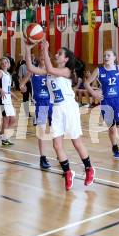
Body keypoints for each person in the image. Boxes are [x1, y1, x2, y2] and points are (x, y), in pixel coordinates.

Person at [40, 40, 95, 191]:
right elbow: (32, 68)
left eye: (59, 53)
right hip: (57, 109)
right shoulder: (51, 71)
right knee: (56, 145)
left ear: (65, 59)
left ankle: (89, 168)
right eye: (56, 52)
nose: (56, 54)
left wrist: (45, 49)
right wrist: (27, 47)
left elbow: (50, 67)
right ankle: (67, 171)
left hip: (69, 108)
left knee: (76, 142)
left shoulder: (66, 71)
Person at [84, 50, 119, 168]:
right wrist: (94, 93)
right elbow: (87, 83)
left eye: (108, 55)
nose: (106, 57)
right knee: (112, 129)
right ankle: (114, 146)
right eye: (104, 55)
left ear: (114, 57)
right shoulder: (99, 70)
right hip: (106, 102)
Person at [19, 51, 52, 170]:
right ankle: (43, 157)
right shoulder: (32, 71)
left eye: (46, 55)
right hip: (41, 104)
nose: (43, 57)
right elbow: (22, 84)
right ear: (39, 58)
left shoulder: (52, 71)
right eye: (41, 55)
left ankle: (60, 155)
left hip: (53, 103)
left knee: (57, 131)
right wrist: (23, 87)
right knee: (42, 131)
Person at [0, 57, 18, 146]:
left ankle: (1, 134)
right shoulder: (0, 72)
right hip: (2, 98)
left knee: (13, 120)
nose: (4, 64)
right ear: (0, 64)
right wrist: (1, 90)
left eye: (6, 62)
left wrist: (13, 94)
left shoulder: (8, 74)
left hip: (8, 99)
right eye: (2, 63)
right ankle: (4, 138)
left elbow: (7, 88)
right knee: (6, 119)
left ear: (8, 64)